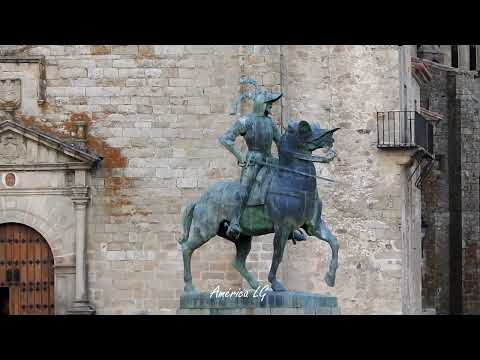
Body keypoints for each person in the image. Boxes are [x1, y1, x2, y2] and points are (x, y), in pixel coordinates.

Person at [219, 77, 306, 242]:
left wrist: (295, 153)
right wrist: (240, 156)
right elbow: (226, 139)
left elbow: (280, 143)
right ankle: (235, 222)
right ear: (262, 105)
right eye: (269, 103)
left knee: (284, 186)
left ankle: (288, 224)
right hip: (253, 161)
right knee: (244, 189)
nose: (271, 106)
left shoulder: (270, 123)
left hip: (269, 161)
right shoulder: (245, 121)